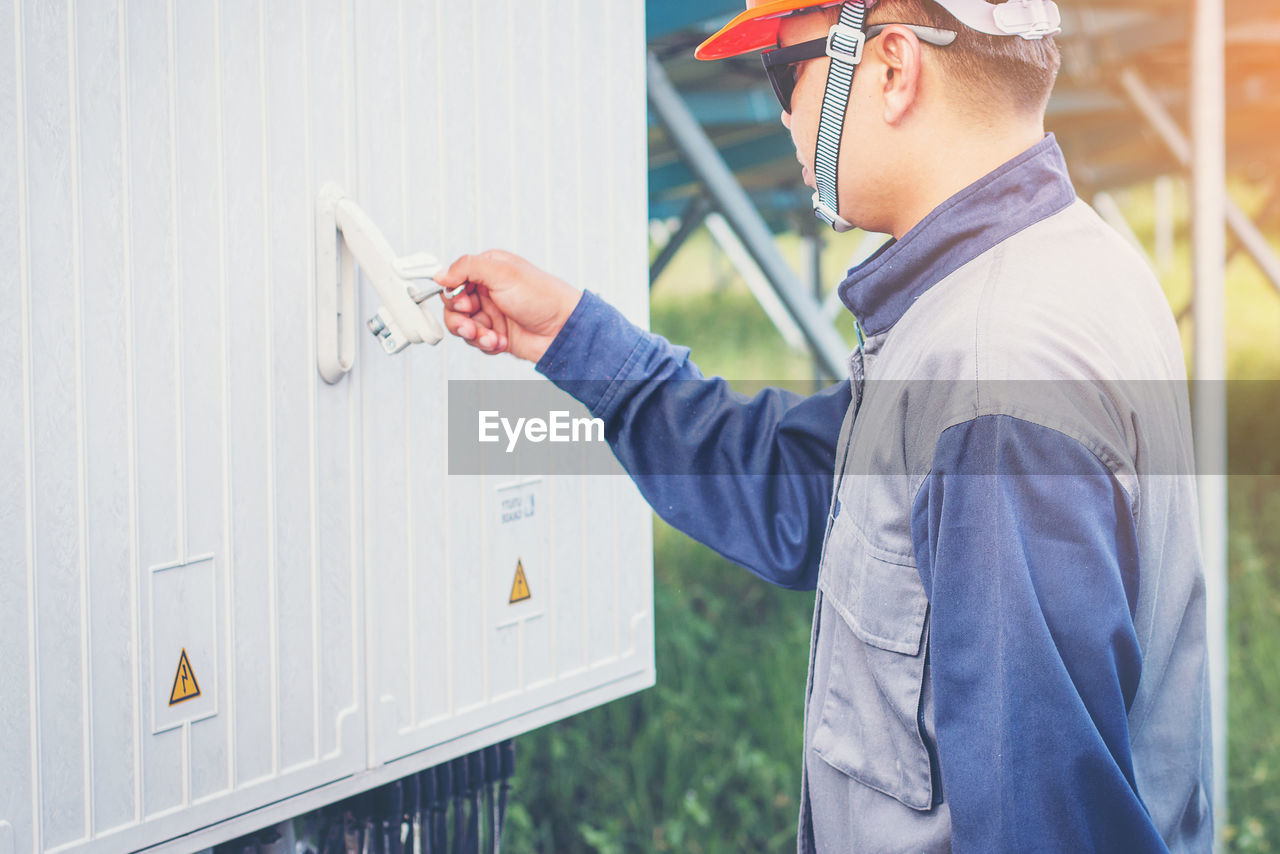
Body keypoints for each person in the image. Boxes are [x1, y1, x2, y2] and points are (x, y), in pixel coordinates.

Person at [436, 0, 1213, 850]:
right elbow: (812, 491)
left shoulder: (994, 383)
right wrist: (576, 339)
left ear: (890, 67)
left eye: (784, 69)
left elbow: (1045, 828)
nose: (783, 113)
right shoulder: (1050, 270)